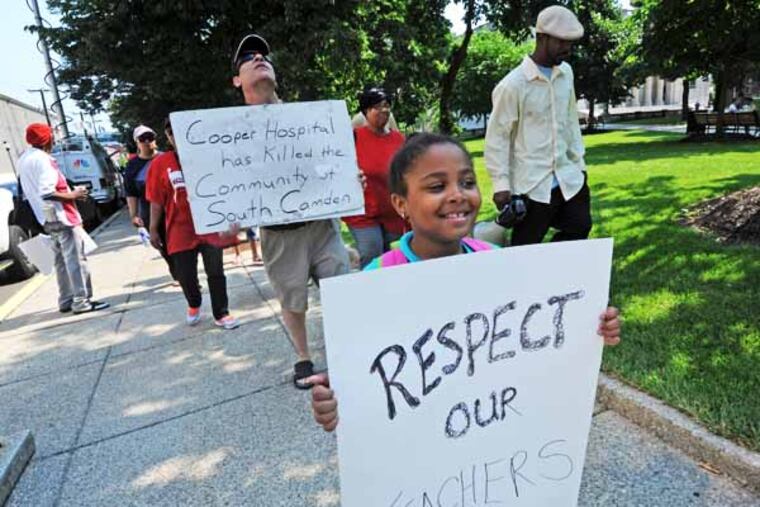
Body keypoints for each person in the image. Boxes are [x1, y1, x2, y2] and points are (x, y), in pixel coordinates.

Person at [309, 133, 622, 431]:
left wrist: (590, 327)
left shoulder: (499, 263)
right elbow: (362, 376)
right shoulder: (376, 282)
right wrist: (337, 402)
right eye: (437, 187)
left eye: (467, 182)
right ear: (401, 204)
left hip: (497, 432)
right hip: (423, 447)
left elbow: (537, 337)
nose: (458, 194)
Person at [231, 33, 351, 388]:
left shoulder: (310, 118)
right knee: (292, 298)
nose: (258, 58)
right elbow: (231, 184)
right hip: (279, 233)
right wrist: (228, 217)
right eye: (248, 57)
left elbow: (329, 163)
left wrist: (347, 177)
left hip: (321, 225)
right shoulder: (228, 132)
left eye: (264, 55)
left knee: (341, 290)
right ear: (237, 79)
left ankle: (350, 351)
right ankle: (303, 359)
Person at [485, 5, 590, 246]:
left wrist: (580, 165)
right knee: (526, 249)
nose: (567, 49)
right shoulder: (512, 85)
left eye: (570, 43)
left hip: (569, 179)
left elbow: (571, 121)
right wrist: (501, 186)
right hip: (533, 186)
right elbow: (497, 138)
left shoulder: (566, 73)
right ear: (541, 37)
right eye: (562, 42)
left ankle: (558, 277)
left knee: (580, 227)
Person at [145, 119, 240, 330]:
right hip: (180, 228)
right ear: (167, 137)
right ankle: (194, 303)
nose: (174, 135)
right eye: (169, 132)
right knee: (185, 274)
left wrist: (232, 217)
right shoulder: (161, 164)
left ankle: (221, 313)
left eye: (177, 130)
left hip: (209, 226)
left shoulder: (206, 157)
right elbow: (156, 199)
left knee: (215, 271)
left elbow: (225, 188)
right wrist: (153, 228)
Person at [17, 123, 110, 314]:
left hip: (45, 218)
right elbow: (47, 191)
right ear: (47, 139)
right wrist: (74, 195)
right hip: (62, 216)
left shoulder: (23, 160)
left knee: (60, 261)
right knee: (76, 259)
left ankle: (66, 299)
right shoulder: (44, 160)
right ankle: (82, 301)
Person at [343, 86, 406, 267]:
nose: (384, 110)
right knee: (372, 252)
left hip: (393, 211)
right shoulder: (353, 137)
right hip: (363, 212)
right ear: (366, 111)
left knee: (394, 258)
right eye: (377, 106)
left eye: (386, 105)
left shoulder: (398, 139)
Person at [123, 124, 175, 279]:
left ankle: (185, 274)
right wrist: (134, 215)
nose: (147, 142)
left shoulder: (167, 158)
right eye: (142, 139)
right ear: (137, 142)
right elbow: (131, 193)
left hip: (172, 207)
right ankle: (176, 271)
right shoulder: (132, 166)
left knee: (179, 243)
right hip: (149, 211)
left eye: (150, 138)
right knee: (163, 245)